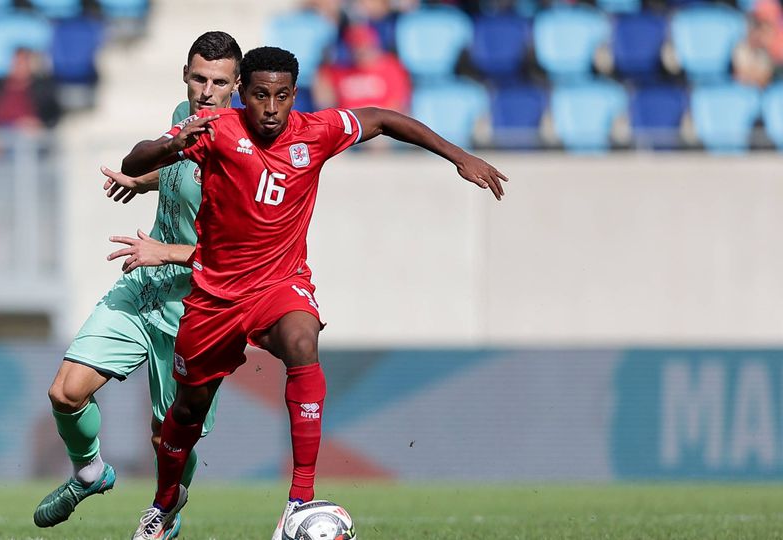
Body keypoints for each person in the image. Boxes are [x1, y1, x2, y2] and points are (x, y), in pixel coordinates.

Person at [109, 46, 507, 540]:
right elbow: (134, 159)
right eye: (259, 95)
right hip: (214, 296)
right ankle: (164, 504)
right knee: (186, 411)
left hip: (280, 283)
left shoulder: (315, 132)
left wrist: (458, 156)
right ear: (242, 95)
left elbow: (382, 118)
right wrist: (173, 144)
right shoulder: (215, 131)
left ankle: (299, 501)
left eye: (281, 96)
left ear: (294, 95)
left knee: (302, 341)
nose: (271, 108)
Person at [31, 31, 242, 540]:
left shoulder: (245, 153)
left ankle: (164, 514)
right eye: (198, 79)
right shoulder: (181, 117)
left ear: (236, 86)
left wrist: (162, 251)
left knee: (168, 437)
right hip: (144, 287)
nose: (206, 91)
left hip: (198, 308)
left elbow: (237, 256)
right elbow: (179, 175)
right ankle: (89, 473)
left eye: (219, 82)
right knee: (66, 392)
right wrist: (142, 181)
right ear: (185, 77)